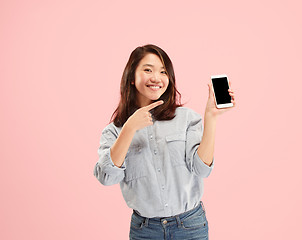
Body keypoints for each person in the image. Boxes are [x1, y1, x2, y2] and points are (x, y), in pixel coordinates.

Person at [93, 44, 235, 240]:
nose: (156, 78)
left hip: (190, 226)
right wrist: (129, 129)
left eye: (163, 72)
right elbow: (107, 178)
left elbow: (202, 169)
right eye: (148, 70)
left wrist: (211, 117)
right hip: (145, 230)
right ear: (131, 77)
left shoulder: (186, 119)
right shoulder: (114, 131)